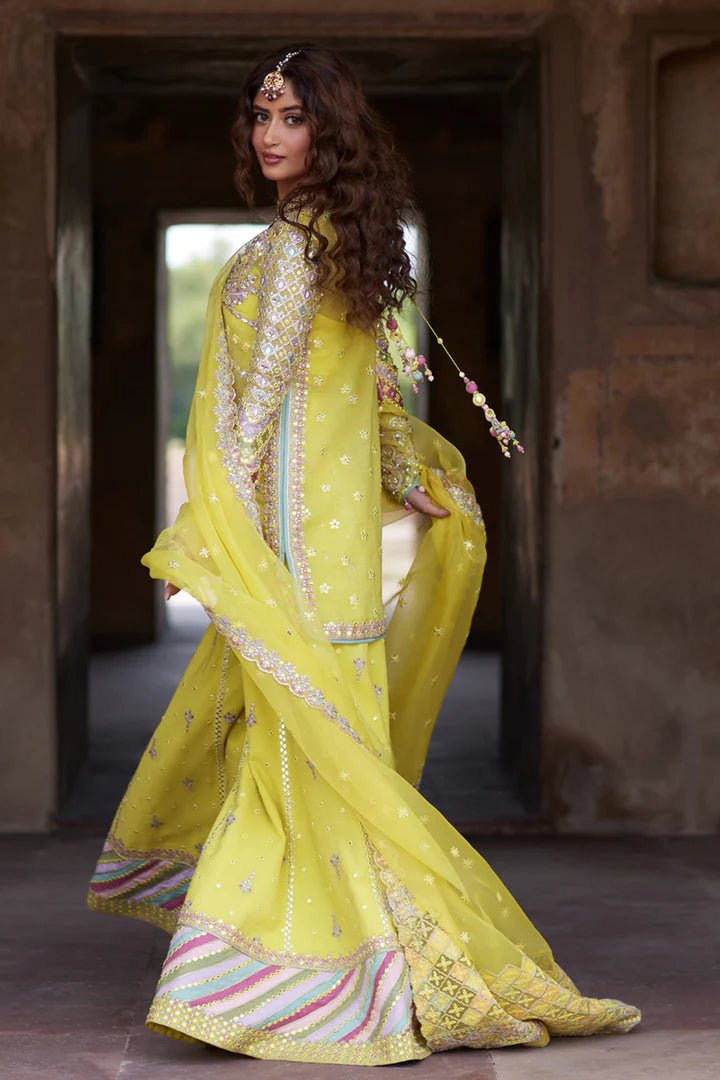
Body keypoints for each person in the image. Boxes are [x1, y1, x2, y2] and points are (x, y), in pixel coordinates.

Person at [87, 42, 640, 1067]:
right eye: (260, 116)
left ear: (328, 132)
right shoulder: (350, 247)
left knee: (305, 749)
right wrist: (402, 473)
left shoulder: (296, 255)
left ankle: (291, 979)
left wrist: (222, 538)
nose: (269, 134)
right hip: (328, 551)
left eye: (291, 117)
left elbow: (255, 415)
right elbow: (380, 404)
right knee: (322, 749)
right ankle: (367, 960)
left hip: (295, 547)